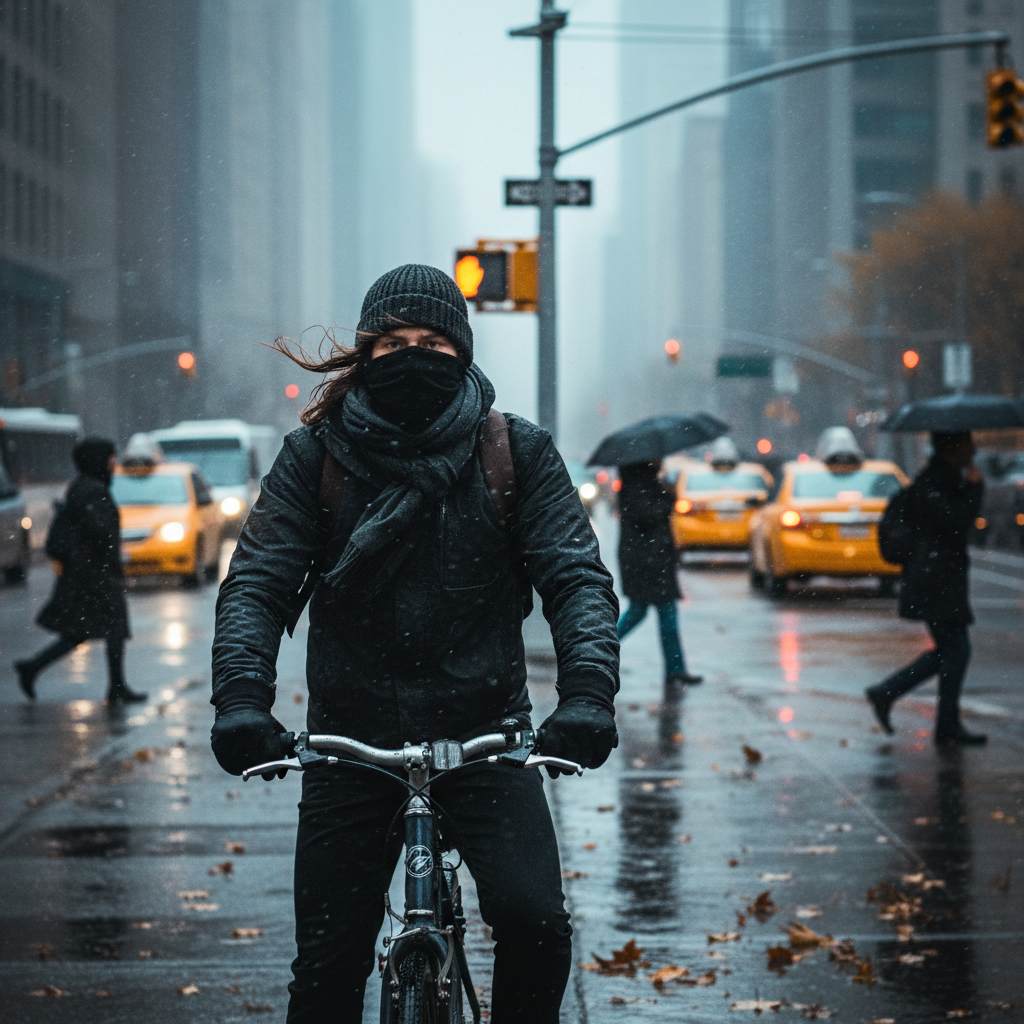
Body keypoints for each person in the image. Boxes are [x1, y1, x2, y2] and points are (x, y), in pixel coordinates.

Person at [210, 264, 620, 1023]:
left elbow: (577, 578)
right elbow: (257, 584)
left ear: (462, 352)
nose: (412, 356)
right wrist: (241, 700)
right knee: (326, 972)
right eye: (393, 342)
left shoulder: (514, 453)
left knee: (536, 926)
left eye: (432, 341)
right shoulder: (316, 457)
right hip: (349, 744)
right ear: (365, 355)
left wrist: (588, 695)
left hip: (486, 738)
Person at [866, 431, 985, 746]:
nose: (973, 449)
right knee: (956, 650)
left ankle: (890, 694)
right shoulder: (934, 483)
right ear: (951, 449)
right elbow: (954, 524)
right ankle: (943, 725)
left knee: (952, 651)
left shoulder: (941, 479)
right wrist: (975, 490)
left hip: (938, 576)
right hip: (935, 578)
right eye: (966, 444)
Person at [14, 438, 145, 704]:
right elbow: (98, 533)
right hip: (95, 575)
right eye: (110, 456)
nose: (114, 461)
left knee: (82, 632)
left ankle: (34, 668)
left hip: (87, 573)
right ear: (98, 459)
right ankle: (116, 687)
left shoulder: (83, 487)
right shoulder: (92, 491)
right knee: (110, 630)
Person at [615, 459, 702, 691]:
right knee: (647, 613)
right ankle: (597, 651)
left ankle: (676, 670)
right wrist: (669, 497)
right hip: (647, 563)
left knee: (659, 615)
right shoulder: (638, 485)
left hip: (653, 561)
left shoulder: (645, 482)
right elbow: (648, 516)